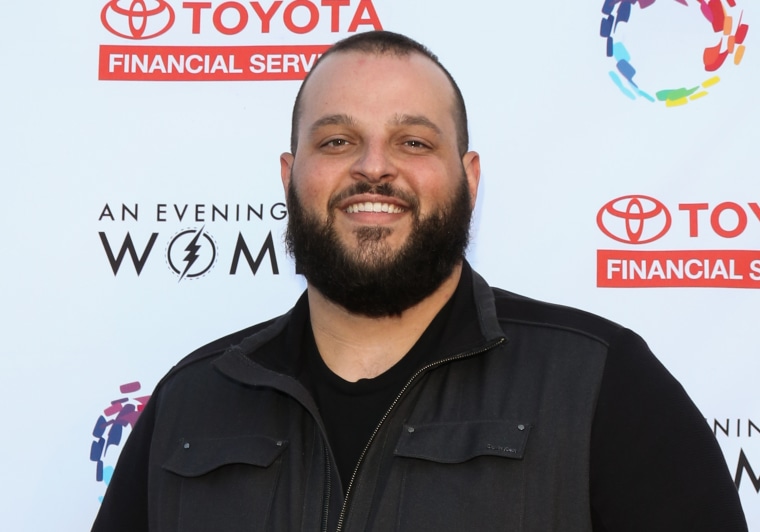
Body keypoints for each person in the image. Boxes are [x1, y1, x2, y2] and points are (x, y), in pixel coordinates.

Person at [92, 31, 747, 532]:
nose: (374, 169)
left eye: (413, 143)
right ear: (289, 177)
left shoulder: (601, 384)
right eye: (337, 141)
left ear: (470, 178)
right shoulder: (192, 402)